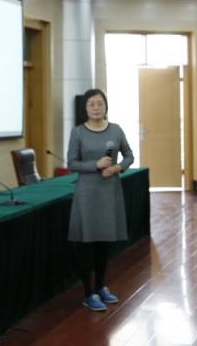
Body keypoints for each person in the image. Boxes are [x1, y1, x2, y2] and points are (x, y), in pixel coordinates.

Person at [66, 88, 134, 311]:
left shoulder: (116, 130)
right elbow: (72, 163)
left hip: (109, 191)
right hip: (87, 193)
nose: (96, 108)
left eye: (100, 104)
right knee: (87, 244)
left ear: (106, 107)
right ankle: (88, 293)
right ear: (85, 109)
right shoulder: (78, 132)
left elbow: (129, 156)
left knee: (105, 244)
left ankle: (101, 286)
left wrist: (116, 167)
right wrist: (94, 165)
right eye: (91, 104)